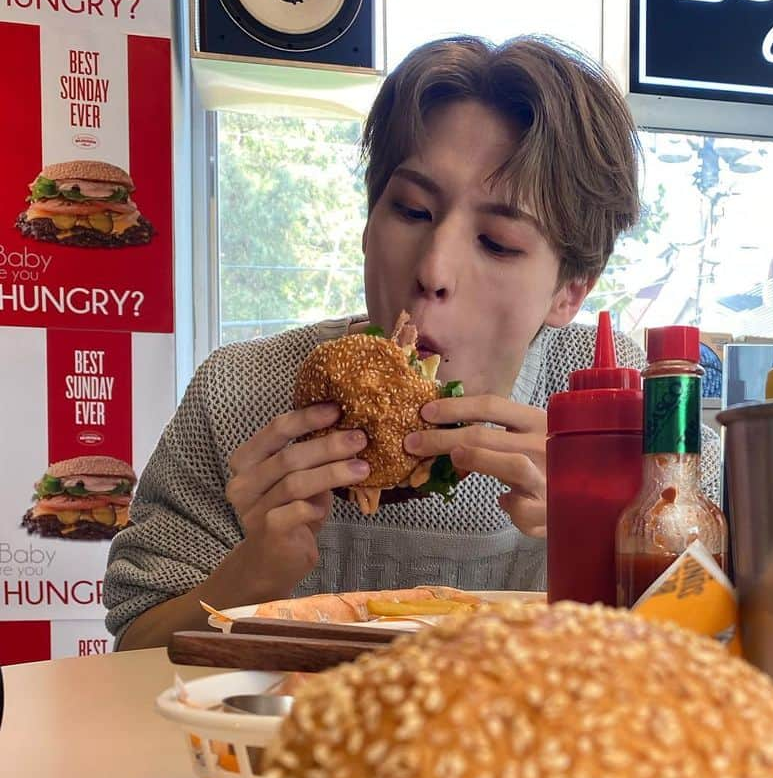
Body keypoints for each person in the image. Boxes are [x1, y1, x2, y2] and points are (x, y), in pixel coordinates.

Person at [105, 34, 721, 649]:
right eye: (412, 211)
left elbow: (739, 638)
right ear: (369, 227)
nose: (434, 271)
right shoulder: (239, 396)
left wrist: (615, 529)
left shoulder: (647, 415)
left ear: (570, 292)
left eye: (499, 243)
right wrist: (256, 569)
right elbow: (134, 647)